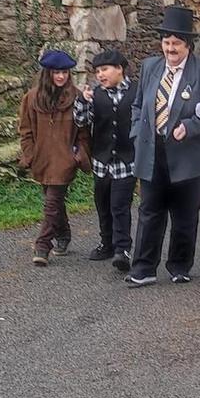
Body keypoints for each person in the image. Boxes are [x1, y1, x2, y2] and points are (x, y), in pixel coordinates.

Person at [129, 6, 200, 286]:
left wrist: (192, 127)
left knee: (185, 215)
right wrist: (138, 133)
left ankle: (180, 266)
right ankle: (143, 268)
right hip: (152, 151)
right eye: (166, 42)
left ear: (188, 45)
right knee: (150, 210)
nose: (170, 49)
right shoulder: (150, 67)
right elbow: (138, 105)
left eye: (176, 43)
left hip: (187, 155)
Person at [18, 50, 86, 267]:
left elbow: (84, 131)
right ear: (47, 74)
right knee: (53, 201)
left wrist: (78, 156)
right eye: (57, 72)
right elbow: (25, 130)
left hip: (65, 159)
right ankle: (64, 235)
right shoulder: (31, 98)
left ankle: (42, 246)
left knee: (51, 202)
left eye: (65, 72)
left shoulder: (76, 97)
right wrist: (30, 154)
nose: (61, 77)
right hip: (42, 158)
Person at [75, 47, 137, 268]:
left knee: (120, 205)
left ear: (119, 69)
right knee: (102, 204)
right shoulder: (95, 94)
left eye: (105, 69)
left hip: (126, 160)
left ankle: (123, 249)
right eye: (97, 71)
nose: (100, 75)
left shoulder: (136, 92)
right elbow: (81, 121)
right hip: (101, 161)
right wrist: (82, 101)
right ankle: (107, 243)